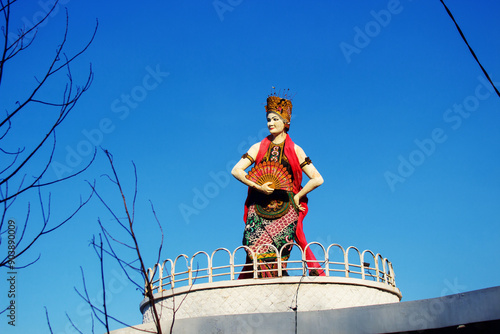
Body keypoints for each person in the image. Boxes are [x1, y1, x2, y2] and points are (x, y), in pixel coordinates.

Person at [231, 93, 324, 278]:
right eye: (268, 119)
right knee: (253, 248)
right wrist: (257, 185)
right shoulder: (257, 147)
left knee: (279, 252)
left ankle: (278, 284)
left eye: (275, 119)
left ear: (285, 122)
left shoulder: (296, 150)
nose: (270, 123)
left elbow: (317, 178)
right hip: (258, 209)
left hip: (286, 209)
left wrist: (298, 196)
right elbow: (236, 170)